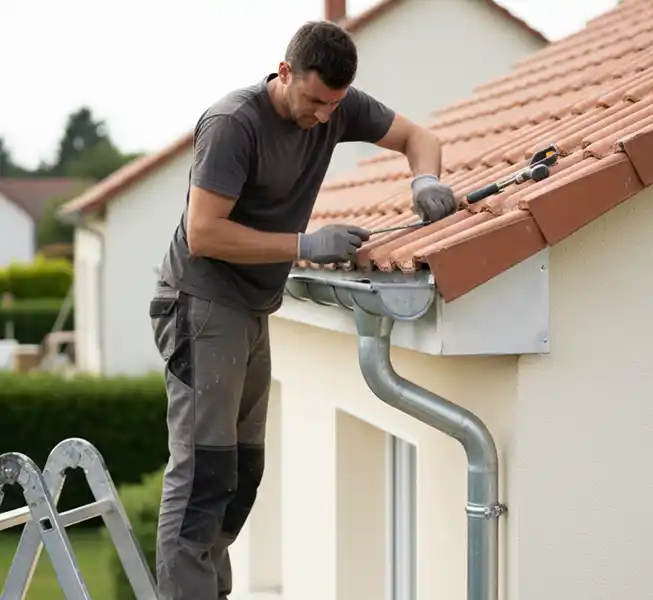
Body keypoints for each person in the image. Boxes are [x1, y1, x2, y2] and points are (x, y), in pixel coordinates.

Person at [148, 19, 457, 600]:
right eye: (314, 100)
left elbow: (421, 138)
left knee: (241, 476)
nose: (323, 116)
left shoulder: (337, 106)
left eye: (334, 105)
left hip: (253, 308)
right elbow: (204, 234)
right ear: (285, 71)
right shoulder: (233, 124)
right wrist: (304, 246)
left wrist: (423, 181)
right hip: (202, 306)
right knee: (202, 477)